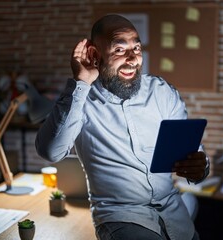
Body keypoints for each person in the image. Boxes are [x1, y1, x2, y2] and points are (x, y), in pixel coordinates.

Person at [36, 14, 209, 240]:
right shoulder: (80, 100)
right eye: (119, 50)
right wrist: (81, 83)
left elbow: (191, 149)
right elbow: (50, 151)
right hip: (122, 218)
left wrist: (200, 166)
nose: (132, 59)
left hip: (175, 215)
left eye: (136, 48)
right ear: (95, 55)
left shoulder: (162, 92)